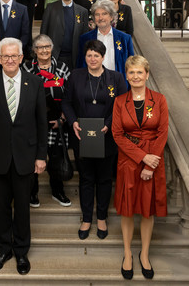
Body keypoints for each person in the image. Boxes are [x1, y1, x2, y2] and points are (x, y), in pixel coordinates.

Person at [0, 37, 47, 275]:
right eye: (5, 56)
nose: (9, 60)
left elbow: (41, 123)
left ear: (21, 58)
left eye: (13, 56)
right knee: (2, 207)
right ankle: (4, 249)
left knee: (23, 209)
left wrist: (41, 155)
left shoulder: (35, 83)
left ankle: (21, 252)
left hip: (26, 156)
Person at [61, 40, 127, 241]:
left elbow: (123, 105)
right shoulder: (76, 76)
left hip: (107, 138)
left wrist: (109, 123)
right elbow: (66, 102)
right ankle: (87, 218)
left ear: (103, 57)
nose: (92, 59)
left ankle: (102, 218)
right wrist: (73, 122)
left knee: (105, 179)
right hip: (82, 136)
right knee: (86, 179)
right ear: (85, 57)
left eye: (96, 55)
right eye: (89, 55)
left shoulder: (115, 78)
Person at [112, 55, 168, 280]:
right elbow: (117, 134)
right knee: (127, 209)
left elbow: (163, 132)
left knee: (147, 210)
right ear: (126, 75)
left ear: (147, 74)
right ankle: (127, 254)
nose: (135, 76)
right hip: (128, 160)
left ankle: (144, 254)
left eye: (139, 72)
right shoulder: (119, 101)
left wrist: (150, 162)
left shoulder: (160, 100)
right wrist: (142, 157)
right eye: (131, 72)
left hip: (154, 160)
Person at [22, 34, 71, 208]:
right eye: (40, 47)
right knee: (33, 159)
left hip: (57, 123)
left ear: (52, 49)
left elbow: (69, 96)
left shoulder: (62, 69)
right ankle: (32, 193)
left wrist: (63, 119)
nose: (44, 50)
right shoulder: (27, 69)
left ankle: (58, 191)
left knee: (56, 158)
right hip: (34, 124)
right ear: (34, 51)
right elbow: (23, 97)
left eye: (47, 47)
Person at [77, 0, 134, 84]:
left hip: (118, 85)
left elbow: (132, 66)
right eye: (97, 14)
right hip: (92, 86)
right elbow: (80, 65)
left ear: (111, 17)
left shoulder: (125, 39)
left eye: (104, 14)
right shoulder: (85, 39)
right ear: (93, 18)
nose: (101, 18)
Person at [40, 0, 89, 70]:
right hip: (54, 56)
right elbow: (43, 33)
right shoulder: (50, 8)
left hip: (75, 58)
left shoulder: (83, 11)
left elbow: (85, 36)